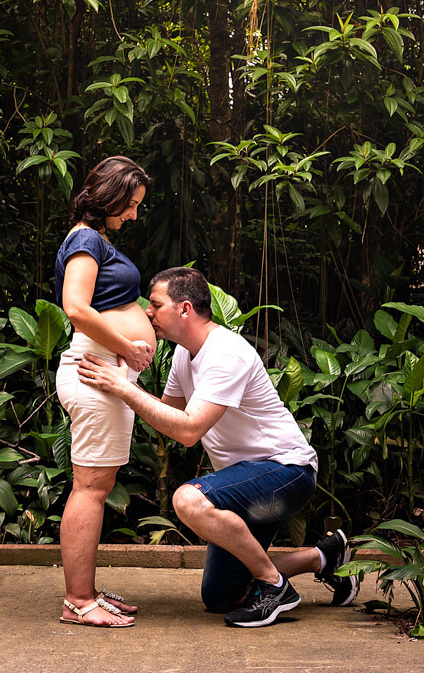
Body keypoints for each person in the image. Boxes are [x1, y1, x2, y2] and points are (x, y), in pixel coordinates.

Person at [78, 266, 360, 627]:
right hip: (243, 483)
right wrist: (124, 382)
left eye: (155, 304)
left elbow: (188, 430)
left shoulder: (226, 353)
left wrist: (125, 390)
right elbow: (168, 416)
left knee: (188, 499)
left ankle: (276, 587)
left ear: (184, 309)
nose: (147, 312)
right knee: (221, 597)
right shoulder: (185, 352)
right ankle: (325, 556)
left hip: (286, 473)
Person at [53, 156, 155, 628]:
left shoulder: (95, 239)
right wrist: (130, 351)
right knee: (90, 489)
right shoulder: (85, 238)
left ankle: (86, 589)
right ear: (110, 195)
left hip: (105, 373)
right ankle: (78, 600)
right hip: (97, 370)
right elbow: (75, 307)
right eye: (130, 204)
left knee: (98, 486)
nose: (133, 214)